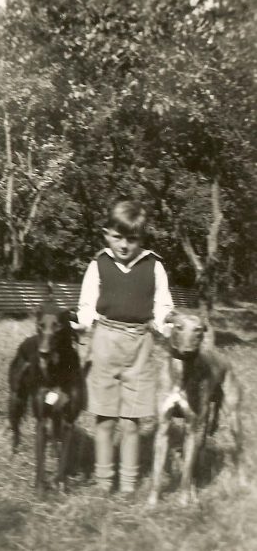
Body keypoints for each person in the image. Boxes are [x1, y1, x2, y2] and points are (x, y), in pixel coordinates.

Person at [77, 197, 173, 494]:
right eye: (117, 237)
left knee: (131, 422)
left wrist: (170, 329)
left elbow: (162, 307)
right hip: (105, 341)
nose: (123, 245)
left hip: (140, 346)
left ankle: (129, 485)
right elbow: (86, 305)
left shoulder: (154, 266)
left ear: (141, 239)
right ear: (106, 233)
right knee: (104, 419)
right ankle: (104, 482)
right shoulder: (98, 264)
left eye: (131, 239)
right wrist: (80, 331)